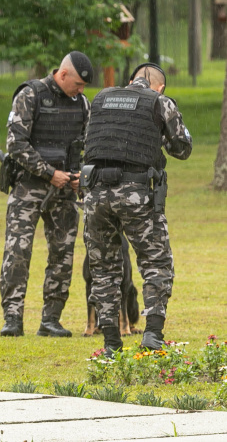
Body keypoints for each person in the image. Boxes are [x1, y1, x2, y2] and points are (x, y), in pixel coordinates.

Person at [82, 63, 192, 355]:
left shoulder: (101, 98)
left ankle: (110, 342)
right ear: (160, 87)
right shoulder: (159, 102)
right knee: (156, 262)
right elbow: (182, 148)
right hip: (135, 192)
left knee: (103, 268)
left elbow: (88, 140)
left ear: (130, 80)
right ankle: (152, 335)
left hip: (95, 193)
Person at [0, 52, 94, 338]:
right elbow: (16, 144)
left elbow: (89, 145)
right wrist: (49, 172)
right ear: (63, 74)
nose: (81, 90)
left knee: (62, 253)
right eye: (77, 84)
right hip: (28, 186)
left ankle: (51, 319)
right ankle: (12, 318)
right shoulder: (30, 95)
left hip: (64, 189)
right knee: (18, 251)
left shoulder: (82, 104)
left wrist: (80, 178)